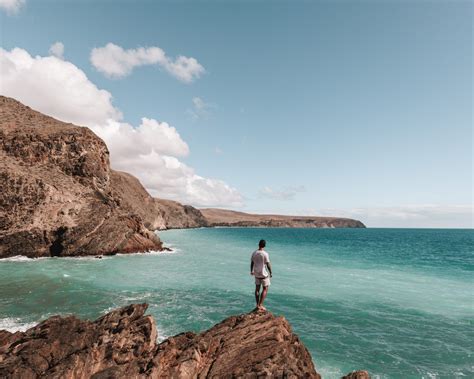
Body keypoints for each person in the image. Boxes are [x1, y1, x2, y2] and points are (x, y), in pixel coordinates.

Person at [250, 239, 272, 311]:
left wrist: (251, 271)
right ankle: (261, 305)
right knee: (265, 288)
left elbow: (252, 263)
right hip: (264, 274)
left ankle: (257, 305)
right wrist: (271, 272)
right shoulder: (265, 254)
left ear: (258, 244)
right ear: (264, 245)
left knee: (257, 289)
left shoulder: (254, 253)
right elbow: (268, 264)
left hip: (256, 273)